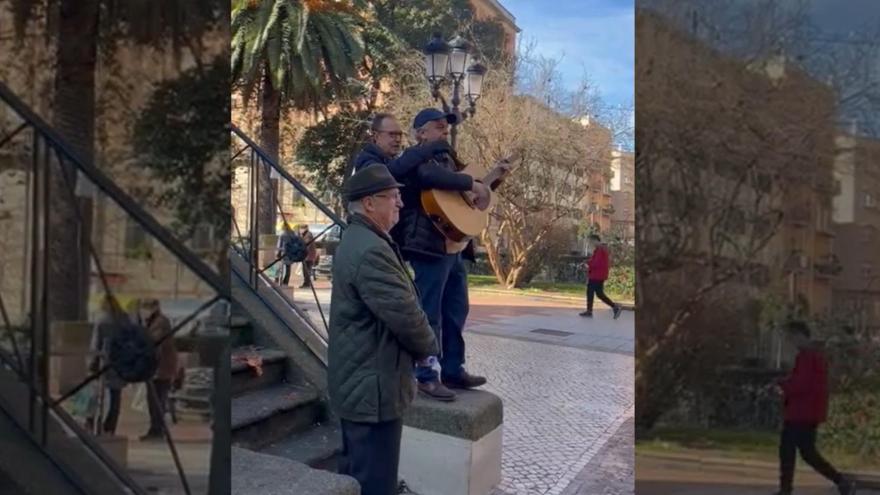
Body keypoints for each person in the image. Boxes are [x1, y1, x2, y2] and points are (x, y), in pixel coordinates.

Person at [328, 164, 439, 495]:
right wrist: (429, 351)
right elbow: (406, 315)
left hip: (364, 383)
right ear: (368, 203)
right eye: (393, 197)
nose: (400, 204)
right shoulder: (371, 249)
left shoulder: (363, 239)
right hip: (373, 389)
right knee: (375, 481)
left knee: (357, 471)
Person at [387, 108, 493, 402]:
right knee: (429, 311)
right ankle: (426, 374)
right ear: (420, 132)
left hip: (453, 245)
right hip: (427, 245)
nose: (444, 132)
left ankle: (452, 368)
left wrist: (483, 187)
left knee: (456, 310)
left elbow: (461, 192)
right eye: (438, 127)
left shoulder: (448, 160)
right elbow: (428, 176)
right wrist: (470, 184)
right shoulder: (415, 159)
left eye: (446, 128)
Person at [774, 321, 854, 495]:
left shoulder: (807, 356)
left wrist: (782, 385)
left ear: (800, 335)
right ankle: (841, 481)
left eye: (791, 337)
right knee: (807, 453)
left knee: (788, 450)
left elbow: (801, 384)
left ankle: (785, 489)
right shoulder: (814, 355)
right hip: (809, 411)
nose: (791, 341)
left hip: (801, 412)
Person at [352, 112, 455, 173]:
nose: (397, 139)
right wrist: (428, 149)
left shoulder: (393, 160)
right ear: (376, 136)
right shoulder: (366, 160)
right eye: (392, 134)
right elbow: (386, 173)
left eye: (399, 135)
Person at [88, 295, 129, 435]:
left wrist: (92, 363)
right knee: (116, 396)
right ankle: (110, 427)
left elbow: (95, 345)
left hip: (104, 363)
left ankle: (92, 423)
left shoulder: (102, 320)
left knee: (96, 394)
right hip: (120, 363)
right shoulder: (125, 319)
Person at [140, 299, 179, 441]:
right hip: (160, 368)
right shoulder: (155, 321)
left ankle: (157, 430)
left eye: (146, 307)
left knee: (156, 400)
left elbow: (155, 344)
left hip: (161, 368)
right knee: (156, 400)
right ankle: (156, 429)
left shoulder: (160, 322)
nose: (143, 311)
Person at [580, 234, 622, 319]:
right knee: (599, 293)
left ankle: (589, 311)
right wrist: (587, 262)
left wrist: (587, 265)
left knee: (590, 291)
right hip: (599, 274)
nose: (590, 243)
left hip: (597, 275)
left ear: (595, 240)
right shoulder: (600, 249)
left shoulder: (600, 249)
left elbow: (596, 263)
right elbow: (594, 260)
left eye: (591, 241)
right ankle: (615, 307)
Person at [299, 224, 318, 288]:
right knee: (306, 270)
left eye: (301, 228)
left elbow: (306, 245)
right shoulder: (306, 235)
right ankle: (307, 283)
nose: (300, 230)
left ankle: (307, 283)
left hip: (308, 256)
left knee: (306, 270)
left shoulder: (308, 235)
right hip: (308, 256)